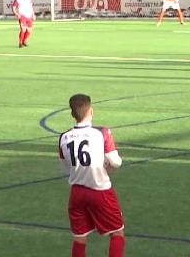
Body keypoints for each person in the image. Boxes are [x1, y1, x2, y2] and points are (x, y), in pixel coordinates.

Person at [59, 94, 126, 257]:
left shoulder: (64, 137)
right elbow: (115, 162)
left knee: (79, 238)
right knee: (117, 233)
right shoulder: (102, 132)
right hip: (100, 190)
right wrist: (106, 166)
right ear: (91, 111)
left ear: (72, 114)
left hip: (76, 193)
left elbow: (65, 166)